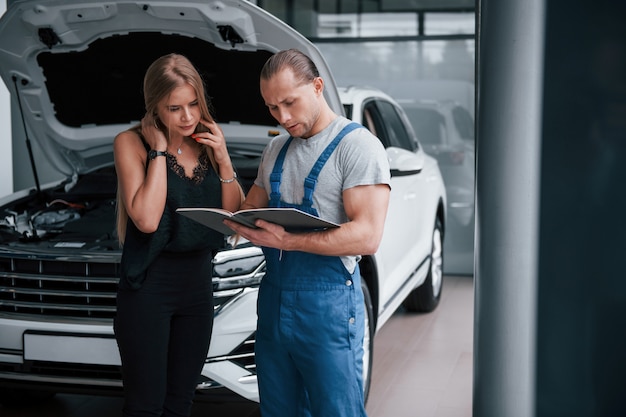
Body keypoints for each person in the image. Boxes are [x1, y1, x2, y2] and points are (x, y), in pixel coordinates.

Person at [224, 49, 391, 417]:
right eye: (271, 107)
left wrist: (288, 241)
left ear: (317, 87)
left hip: (328, 307)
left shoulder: (357, 147)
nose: (282, 117)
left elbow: (367, 236)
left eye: (289, 102)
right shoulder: (275, 149)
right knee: (279, 410)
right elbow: (247, 211)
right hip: (273, 301)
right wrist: (223, 159)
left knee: (336, 410)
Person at [113, 53, 243, 417]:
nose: (187, 117)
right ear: (154, 105)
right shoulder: (131, 142)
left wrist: (224, 157)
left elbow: (234, 217)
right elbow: (147, 220)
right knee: (145, 407)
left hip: (198, 287)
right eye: (174, 108)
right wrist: (157, 149)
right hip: (149, 290)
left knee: (180, 403)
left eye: (193, 104)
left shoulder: (207, 140)